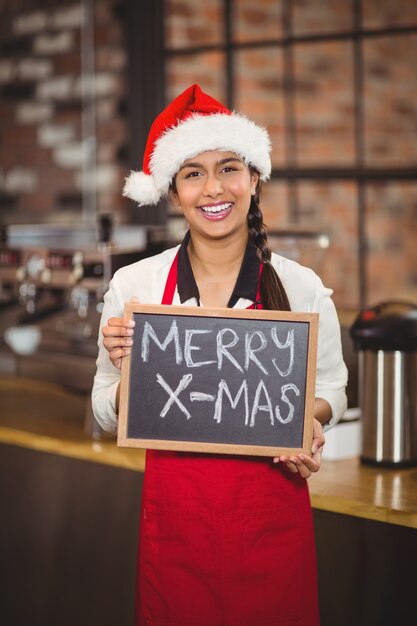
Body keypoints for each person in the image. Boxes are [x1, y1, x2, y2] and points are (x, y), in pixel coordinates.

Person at [92, 84, 348, 626]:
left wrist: (307, 422)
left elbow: (331, 391)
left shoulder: (300, 287)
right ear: (173, 192)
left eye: (229, 168)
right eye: (193, 173)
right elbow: (103, 408)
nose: (214, 188)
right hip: (176, 535)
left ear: (254, 179)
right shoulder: (135, 286)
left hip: (271, 532)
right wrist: (126, 372)